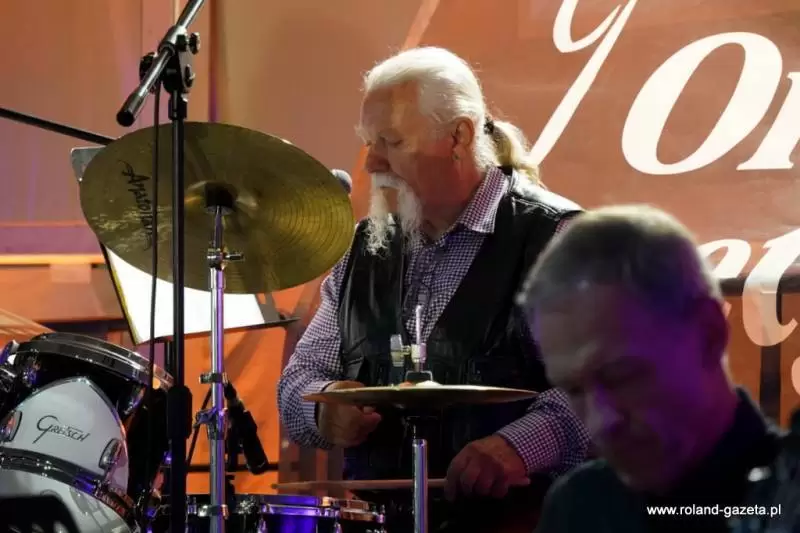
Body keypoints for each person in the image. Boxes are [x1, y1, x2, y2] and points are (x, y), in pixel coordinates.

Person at [277, 46, 589, 532]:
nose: (371, 162)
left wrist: (518, 446)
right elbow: (300, 377)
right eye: (368, 142)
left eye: (391, 141)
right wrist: (324, 407)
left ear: (458, 135)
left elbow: (606, 385)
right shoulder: (363, 249)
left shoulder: (554, 238)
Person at [516, 204, 793, 533]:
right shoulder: (578, 506)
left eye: (620, 377)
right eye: (574, 390)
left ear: (709, 334)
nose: (601, 421)